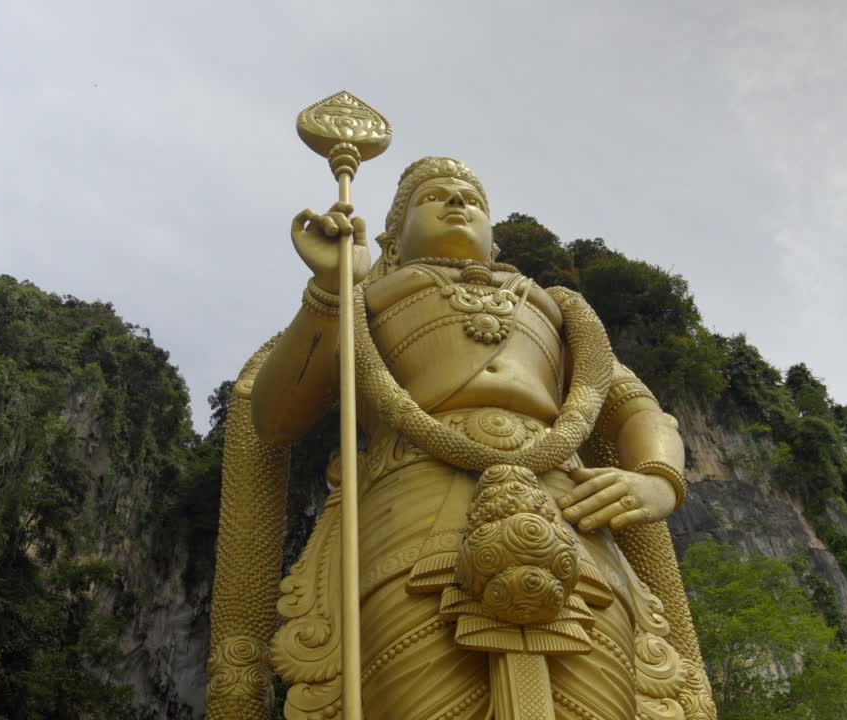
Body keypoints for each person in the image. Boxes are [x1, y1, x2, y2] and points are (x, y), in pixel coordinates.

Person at [207, 157, 714, 720]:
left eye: (473, 200)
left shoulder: (553, 310)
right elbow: (275, 417)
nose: (457, 203)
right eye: (433, 197)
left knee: (598, 701)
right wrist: (331, 289)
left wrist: (657, 478)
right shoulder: (363, 303)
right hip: (413, 507)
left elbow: (638, 409)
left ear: (493, 238)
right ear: (393, 237)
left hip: (567, 512)